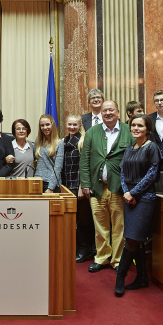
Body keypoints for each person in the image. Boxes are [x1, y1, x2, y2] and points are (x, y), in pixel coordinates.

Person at [79, 100, 134, 272]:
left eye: (111, 110)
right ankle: (102, 258)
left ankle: (117, 260)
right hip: (96, 187)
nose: (108, 113)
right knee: (100, 225)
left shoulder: (128, 131)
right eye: (104, 111)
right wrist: (86, 183)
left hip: (118, 188)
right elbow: (85, 160)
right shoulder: (92, 132)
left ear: (118, 112)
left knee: (119, 225)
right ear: (100, 114)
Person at [116, 114, 162, 296]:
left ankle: (120, 276)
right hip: (129, 198)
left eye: (140, 126)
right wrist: (127, 192)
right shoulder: (129, 148)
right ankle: (142, 276)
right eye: (133, 125)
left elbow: (152, 173)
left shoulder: (152, 148)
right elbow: (122, 172)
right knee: (135, 239)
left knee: (132, 239)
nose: (136, 128)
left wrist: (133, 193)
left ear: (147, 129)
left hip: (145, 198)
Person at [61, 115, 94, 263]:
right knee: (73, 220)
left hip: (78, 185)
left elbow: (85, 166)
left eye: (75, 125)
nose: (72, 127)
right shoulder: (64, 141)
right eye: (70, 124)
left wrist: (82, 186)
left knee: (82, 220)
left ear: (80, 126)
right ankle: (81, 247)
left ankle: (85, 248)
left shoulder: (82, 141)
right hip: (67, 185)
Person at [34, 114, 64, 193]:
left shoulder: (59, 143)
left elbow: (58, 168)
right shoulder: (38, 141)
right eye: (42, 125)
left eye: (47, 124)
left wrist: (51, 188)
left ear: (52, 124)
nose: (45, 128)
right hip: (37, 181)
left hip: (51, 184)